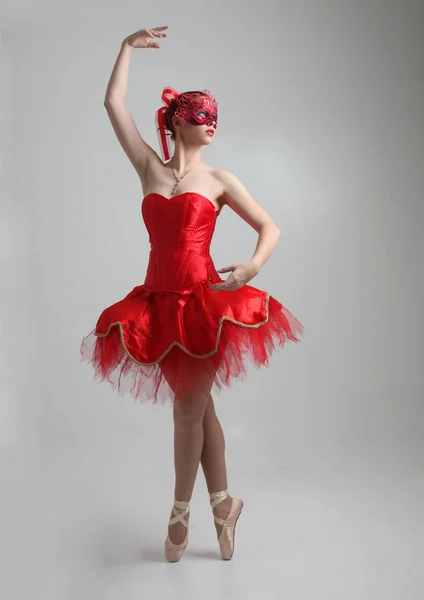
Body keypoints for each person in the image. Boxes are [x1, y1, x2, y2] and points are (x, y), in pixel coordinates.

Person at [80, 26, 304, 562]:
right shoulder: (150, 170)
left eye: (215, 117)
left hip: (201, 302)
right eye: (204, 114)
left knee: (185, 412)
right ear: (179, 120)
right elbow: (113, 104)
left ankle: (181, 513)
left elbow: (269, 227)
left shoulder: (220, 179)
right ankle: (224, 505)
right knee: (199, 414)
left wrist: (251, 266)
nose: (213, 123)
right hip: (157, 302)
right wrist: (125, 48)